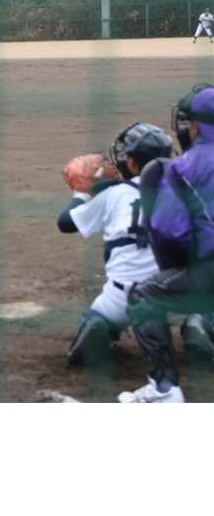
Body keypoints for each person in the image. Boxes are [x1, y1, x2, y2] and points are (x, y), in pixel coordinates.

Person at [118, 85, 214, 403]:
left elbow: (171, 233)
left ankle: (164, 389)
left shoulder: (184, 166)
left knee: (144, 296)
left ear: (195, 125)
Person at [57, 122, 175, 364]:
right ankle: (200, 323)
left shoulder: (114, 194)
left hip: (123, 298)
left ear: (132, 163)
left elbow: (65, 222)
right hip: (172, 293)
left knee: (98, 314)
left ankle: (101, 325)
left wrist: (82, 192)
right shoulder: (182, 191)